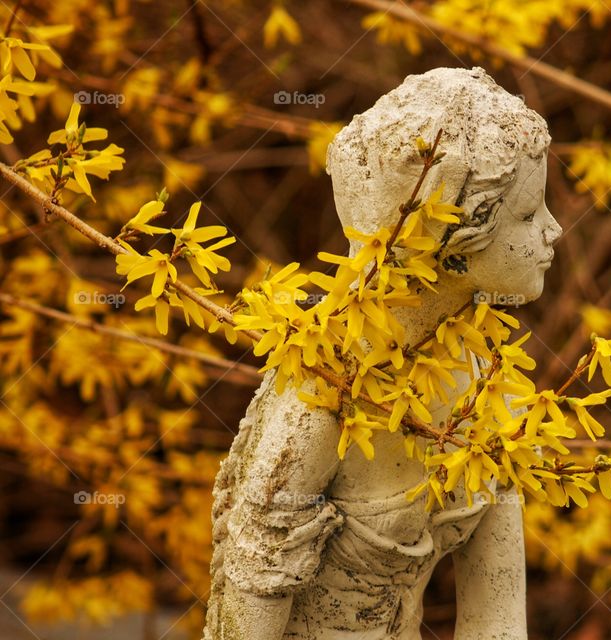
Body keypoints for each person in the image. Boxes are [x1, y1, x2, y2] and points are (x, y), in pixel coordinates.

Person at [204, 67, 561, 640]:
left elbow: (496, 616)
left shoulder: (486, 383)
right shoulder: (324, 391)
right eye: (527, 214)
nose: (554, 230)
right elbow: (253, 585)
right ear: (448, 244)